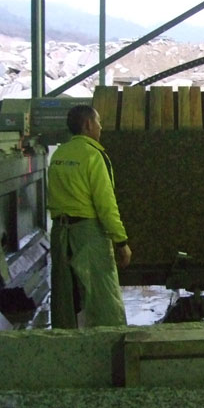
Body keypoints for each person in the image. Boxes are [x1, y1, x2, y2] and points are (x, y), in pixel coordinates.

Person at [47, 104, 132, 328]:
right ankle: (106, 350)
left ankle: (67, 347)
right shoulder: (94, 155)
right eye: (99, 122)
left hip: (60, 234)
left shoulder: (59, 154)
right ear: (88, 125)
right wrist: (120, 241)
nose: (101, 128)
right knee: (103, 300)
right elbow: (106, 204)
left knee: (66, 299)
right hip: (88, 236)